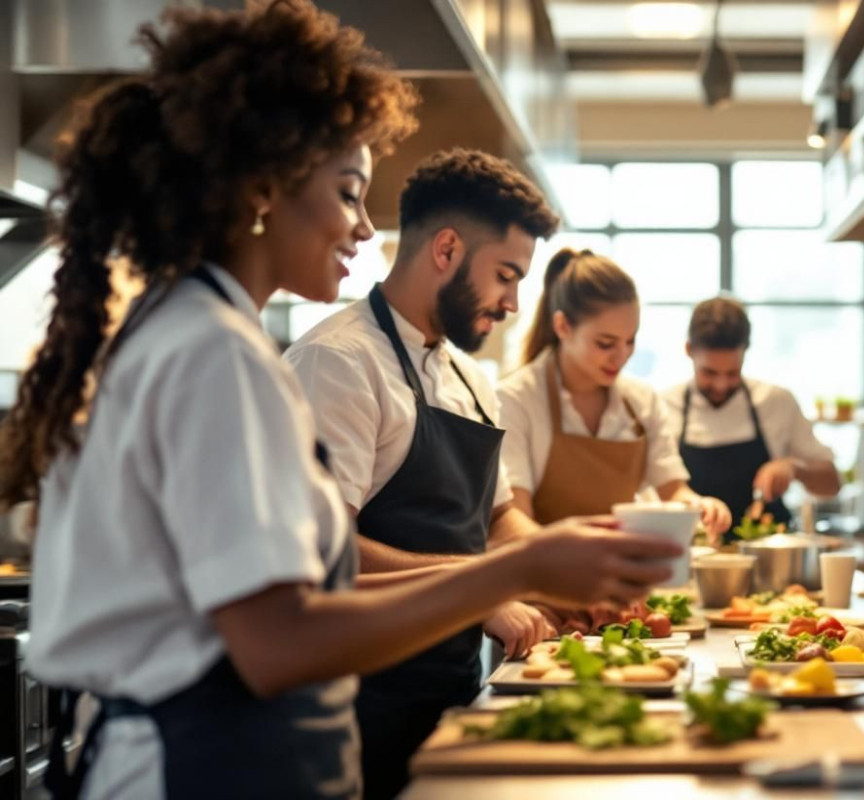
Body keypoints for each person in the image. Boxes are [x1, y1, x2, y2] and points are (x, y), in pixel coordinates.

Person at [0, 3, 681, 797]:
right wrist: (513, 571)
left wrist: (527, 569)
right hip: (202, 770)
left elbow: (319, 588)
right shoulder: (215, 353)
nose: (364, 230)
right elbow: (280, 641)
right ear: (263, 188)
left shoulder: (207, 333)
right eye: (349, 193)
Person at [283, 148, 566, 798]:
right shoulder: (338, 363)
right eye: (506, 275)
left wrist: (567, 566)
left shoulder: (470, 373)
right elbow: (328, 551)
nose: (514, 303)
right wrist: (486, 591)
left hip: (455, 689)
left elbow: (496, 518)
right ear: (446, 249)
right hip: (362, 703)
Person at [499, 249, 731, 539]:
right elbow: (514, 518)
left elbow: (672, 490)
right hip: (542, 574)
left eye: (630, 341)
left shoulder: (640, 402)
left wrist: (699, 506)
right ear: (562, 327)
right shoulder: (515, 401)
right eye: (606, 343)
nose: (621, 357)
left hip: (621, 573)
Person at [663, 297, 840, 537]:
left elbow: (832, 484)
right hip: (695, 551)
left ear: (745, 353)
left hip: (769, 556)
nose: (721, 384)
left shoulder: (776, 401)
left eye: (732, 373)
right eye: (709, 372)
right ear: (688, 350)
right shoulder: (664, 407)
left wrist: (794, 467)